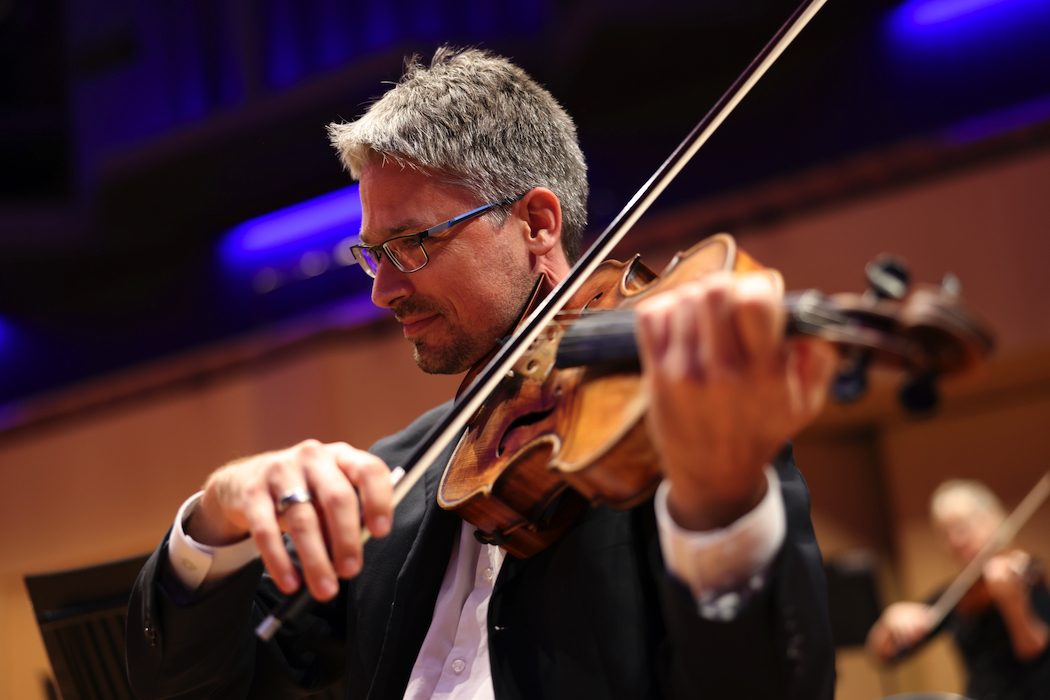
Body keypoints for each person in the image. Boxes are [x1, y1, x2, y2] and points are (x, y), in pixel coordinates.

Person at [126, 47, 839, 699]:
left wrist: (718, 496)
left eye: (410, 243)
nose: (383, 290)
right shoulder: (399, 479)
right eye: (374, 254)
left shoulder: (670, 436)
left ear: (536, 222)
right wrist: (218, 517)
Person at [866, 479, 1050, 700]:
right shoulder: (959, 593)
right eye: (945, 533)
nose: (955, 540)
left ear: (992, 520)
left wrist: (1013, 605)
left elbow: (1035, 653)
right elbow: (884, 656)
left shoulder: (1022, 574)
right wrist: (889, 620)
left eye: (962, 528)